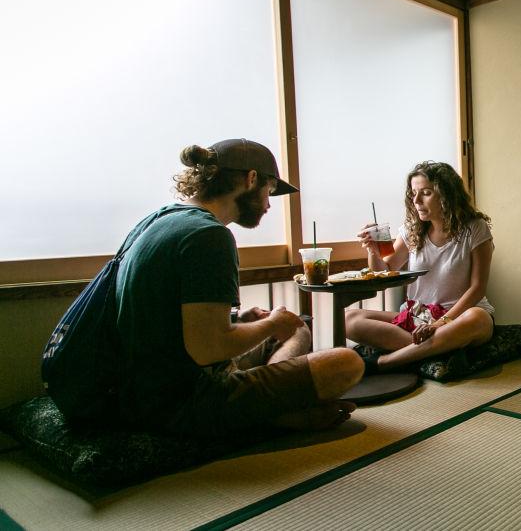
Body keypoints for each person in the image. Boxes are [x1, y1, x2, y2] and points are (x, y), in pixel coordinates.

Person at [115, 138, 363, 436]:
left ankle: (273, 409)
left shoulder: (162, 219)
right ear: (251, 179)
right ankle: (271, 415)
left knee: (294, 330)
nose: (269, 204)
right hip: (180, 398)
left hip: (140, 385)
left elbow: (172, 322)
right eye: (269, 191)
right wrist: (272, 323)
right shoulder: (208, 235)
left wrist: (237, 321)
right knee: (345, 362)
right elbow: (209, 349)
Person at [346, 161, 495, 372]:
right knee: (349, 319)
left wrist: (439, 324)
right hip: (417, 317)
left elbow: (477, 288)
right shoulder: (412, 231)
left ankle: (384, 362)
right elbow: (384, 273)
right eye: (413, 193)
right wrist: (373, 249)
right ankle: (438, 348)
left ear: (447, 195)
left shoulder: (474, 229)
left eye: (425, 193)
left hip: (457, 316)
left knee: (478, 319)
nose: (416, 200)